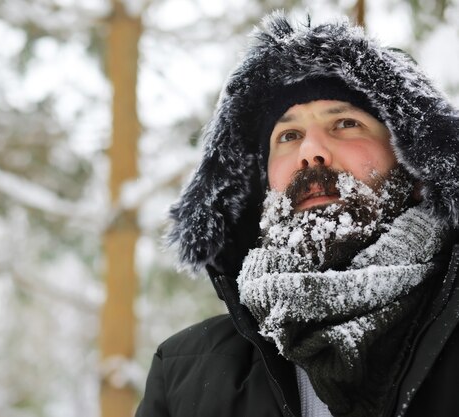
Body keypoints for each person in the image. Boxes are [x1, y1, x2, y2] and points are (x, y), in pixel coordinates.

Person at [136, 12, 459, 417]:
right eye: (288, 136)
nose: (311, 151)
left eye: (345, 123)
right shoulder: (185, 373)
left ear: (414, 166)